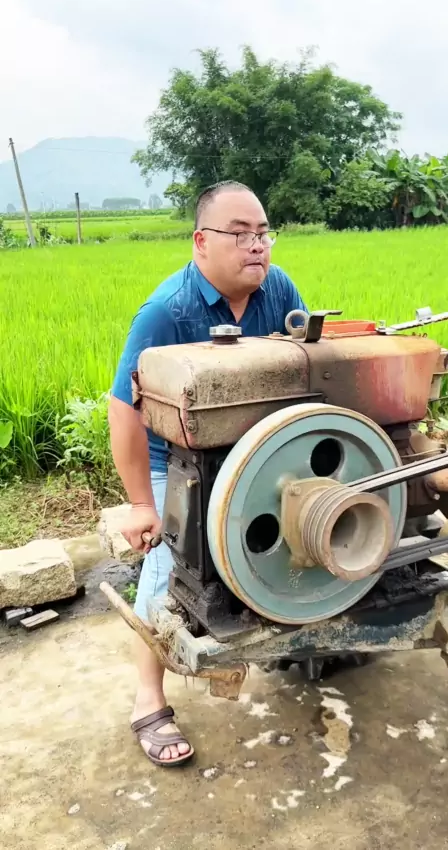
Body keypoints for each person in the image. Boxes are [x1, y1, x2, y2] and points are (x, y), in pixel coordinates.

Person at [109, 180, 309, 767]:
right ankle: (148, 699)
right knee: (172, 564)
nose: (257, 245)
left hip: (251, 448)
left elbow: (305, 365)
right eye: (239, 234)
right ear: (201, 243)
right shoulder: (167, 312)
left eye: (263, 232)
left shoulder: (280, 289)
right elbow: (123, 409)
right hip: (175, 458)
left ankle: (302, 636)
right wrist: (142, 505)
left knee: (294, 535)